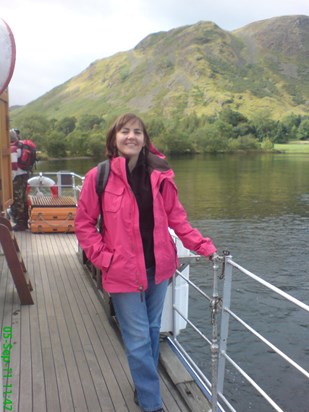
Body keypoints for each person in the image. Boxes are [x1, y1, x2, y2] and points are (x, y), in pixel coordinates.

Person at [74, 113, 217, 412]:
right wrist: (104, 259)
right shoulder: (97, 177)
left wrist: (203, 247)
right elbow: (84, 224)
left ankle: (143, 388)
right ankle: (152, 404)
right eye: (124, 131)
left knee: (151, 330)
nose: (131, 136)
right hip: (122, 271)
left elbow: (177, 219)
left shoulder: (160, 174)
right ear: (114, 138)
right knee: (138, 339)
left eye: (137, 132)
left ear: (145, 139)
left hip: (159, 268)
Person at [9, 129, 29, 231]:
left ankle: (20, 224)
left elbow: (13, 166)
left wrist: (10, 179)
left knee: (17, 200)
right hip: (24, 175)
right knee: (23, 199)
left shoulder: (12, 149)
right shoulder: (20, 146)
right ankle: (25, 222)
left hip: (17, 177)